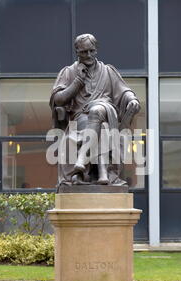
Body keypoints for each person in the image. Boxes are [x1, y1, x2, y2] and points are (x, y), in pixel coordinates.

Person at [50, 34, 140, 187]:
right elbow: (58, 99)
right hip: (80, 118)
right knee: (101, 128)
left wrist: (132, 99)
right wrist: (78, 81)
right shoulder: (69, 72)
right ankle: (103, 173)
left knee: (98, 110)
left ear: (96, 50)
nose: (89, 55)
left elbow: (124, 91)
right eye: (84, 52)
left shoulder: (108, 71)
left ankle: (82, 160)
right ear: (77, 52)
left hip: (106, 111)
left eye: (92, 51)